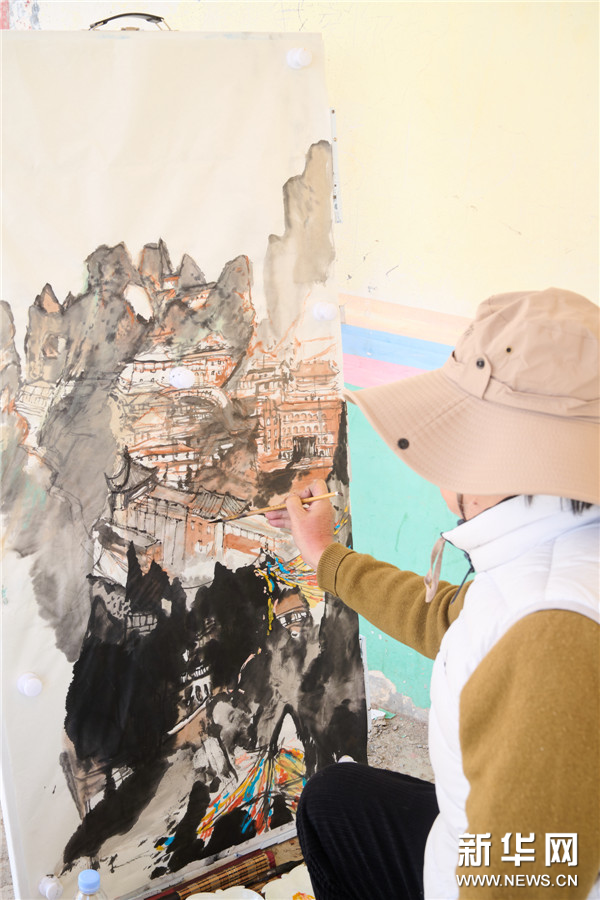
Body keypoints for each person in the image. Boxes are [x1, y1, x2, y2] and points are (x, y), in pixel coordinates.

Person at [265, 288, 599, 899]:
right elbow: (454, 619)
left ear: (493, 458)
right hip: (481, 846)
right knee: (334, 802)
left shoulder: (554, 640)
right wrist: (326, 556)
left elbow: (524, 886)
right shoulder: (562, 550)